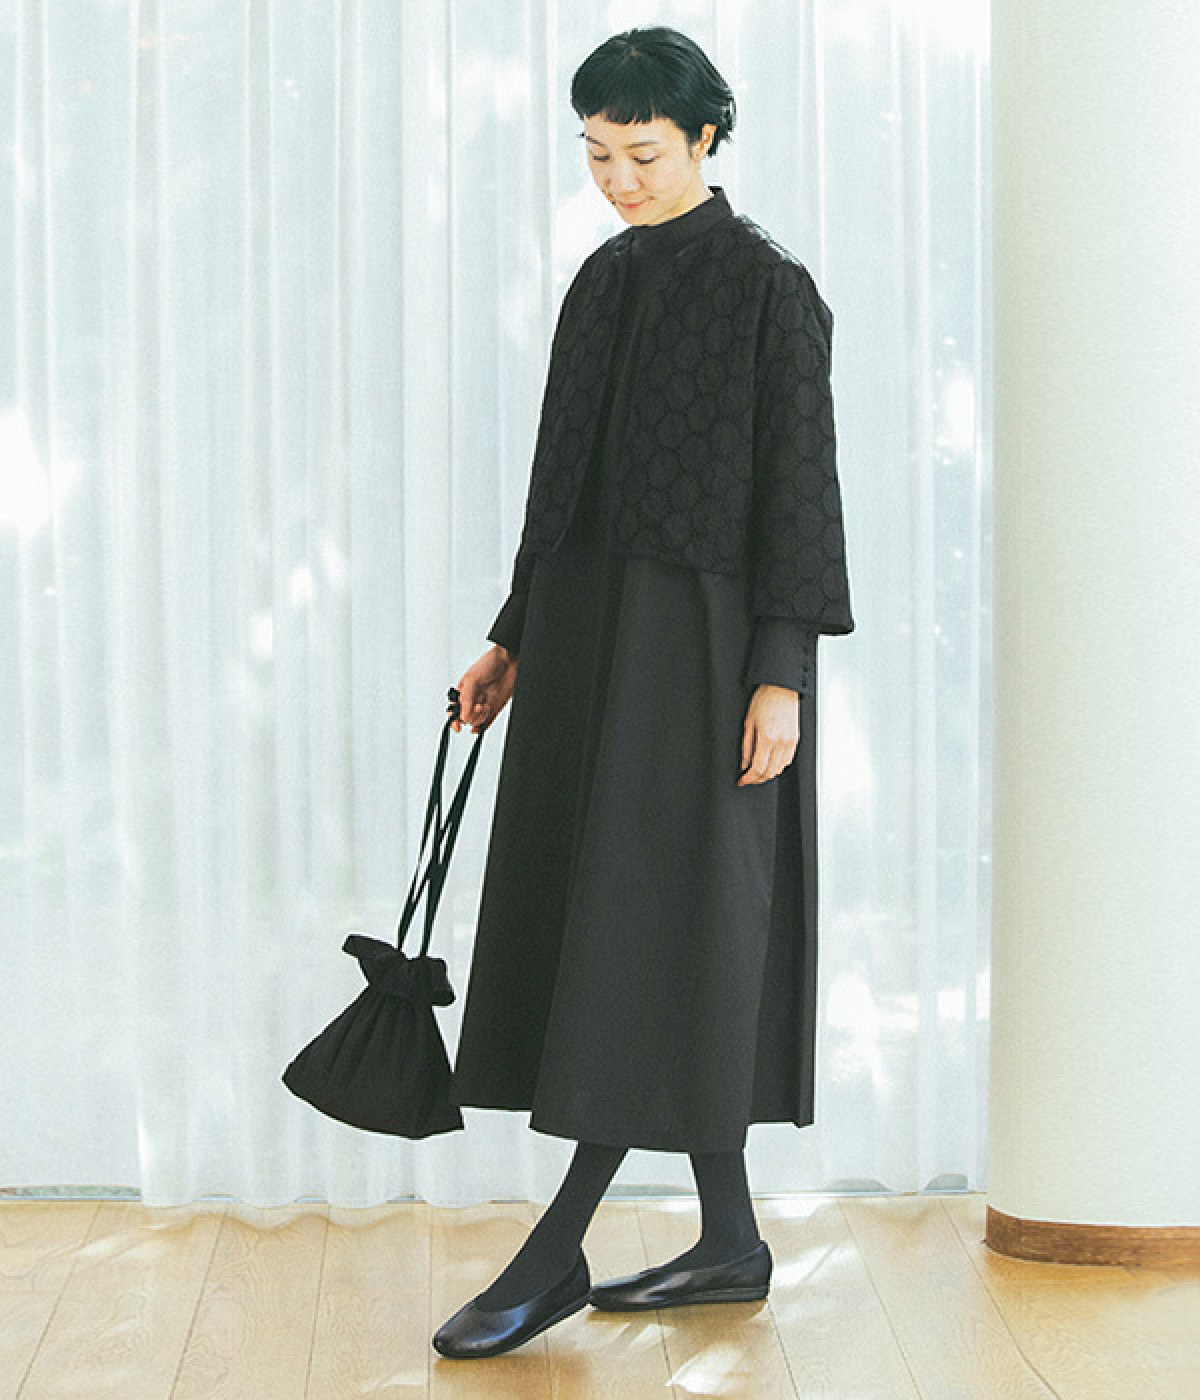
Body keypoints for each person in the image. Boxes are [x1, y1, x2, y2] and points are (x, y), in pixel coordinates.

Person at [433, 25, 854, 1360]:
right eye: (597, 154)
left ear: (708, 138)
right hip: (584, 638)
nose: (617, 178)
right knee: (619, 920)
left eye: (644, 153)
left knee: (654, 924)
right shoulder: (602, 280)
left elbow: (800, 494)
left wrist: (781, 671)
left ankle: (556, 1248)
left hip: (705, 651)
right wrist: (514, 636)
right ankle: (728, 1242)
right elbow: (560, 481)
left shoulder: (771, 288)